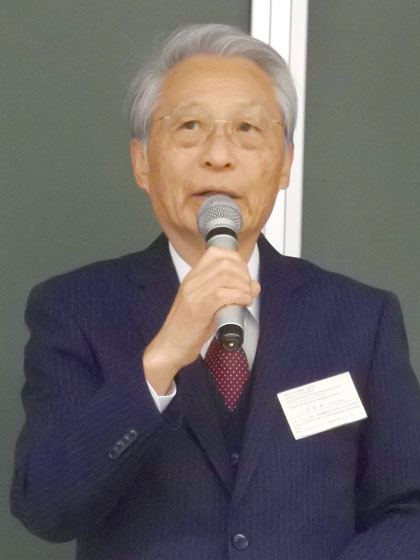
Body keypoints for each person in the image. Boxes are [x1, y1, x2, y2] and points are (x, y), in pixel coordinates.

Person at [10, 24, 420, 560]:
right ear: (141, 162)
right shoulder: (74, 309)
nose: (219, 155)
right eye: (190, 126)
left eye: (247, 128)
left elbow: (409, 507)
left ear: (285, 164)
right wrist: (158, 363)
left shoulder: (360, 318)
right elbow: (44, 508)